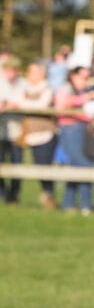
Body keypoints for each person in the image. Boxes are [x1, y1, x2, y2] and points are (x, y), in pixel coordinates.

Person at [54, 61, 94, 215]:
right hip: (70, 130)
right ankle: (85, 204)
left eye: (87, 77)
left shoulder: (84, 90)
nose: (85, 80)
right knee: (83, 165)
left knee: (77, 165)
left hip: (82, 129)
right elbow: (61, 105)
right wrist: (84, 99)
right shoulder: (66, 89)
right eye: (82, 76)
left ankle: (69, 204)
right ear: (73, 76)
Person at [19, 61, 58, 209]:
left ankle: (49, 196)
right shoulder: (26, 88)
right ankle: (46, 195)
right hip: (31, 134)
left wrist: (23, 104)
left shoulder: (47, 88)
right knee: (37, 167)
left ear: (41, 74)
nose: (29, 74)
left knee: (44, 167)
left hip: (45, 134)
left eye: (32, 71)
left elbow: (41, 105)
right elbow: (19, 100)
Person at [0, 55, 26, 203]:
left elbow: (22, 100)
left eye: (14, 70)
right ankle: (1, 194)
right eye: (8, 70)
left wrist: (10, 104)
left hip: (17, 131)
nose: (11, 73)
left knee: (17, 163)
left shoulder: (23, 83)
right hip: (1, 130)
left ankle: (14, 195)